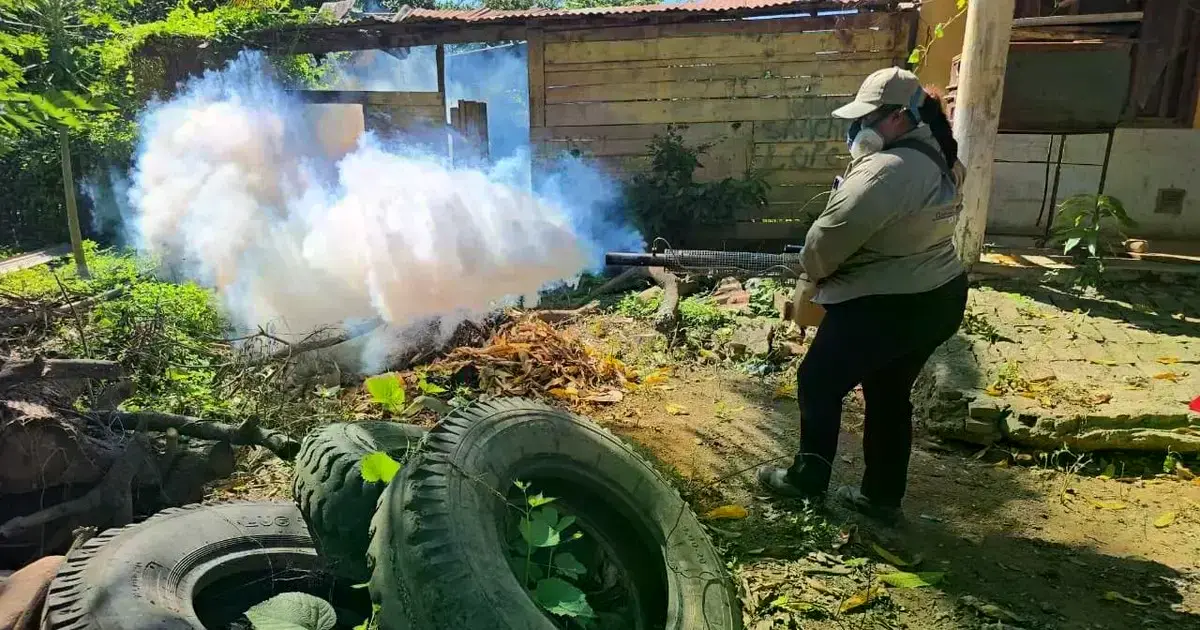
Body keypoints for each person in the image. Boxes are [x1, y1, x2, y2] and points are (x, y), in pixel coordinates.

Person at [757, 67, 969, 524]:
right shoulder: (939, 154)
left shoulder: (885, 171)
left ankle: (807, 480)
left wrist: (813, 274)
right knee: (889, 390)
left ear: (898, 117)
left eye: (865, 119)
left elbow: (823, 245)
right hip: (940, 295)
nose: (857, 129)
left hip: (892, 303)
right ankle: (881, 498)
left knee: (818, 381)